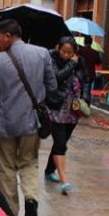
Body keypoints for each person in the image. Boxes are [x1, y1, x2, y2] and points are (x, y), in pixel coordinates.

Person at [0, 19, 57, 216]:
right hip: (31, 122)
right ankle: (31, 198)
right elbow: (52, 87)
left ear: (8, 35)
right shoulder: (42, 54)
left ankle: (9, 214)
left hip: (4, 123)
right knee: (29, 162)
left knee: (6, 167)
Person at [44, 37, 86, 195]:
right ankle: (64, 180)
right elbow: (56, 77)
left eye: (71, 52)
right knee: (61, 143)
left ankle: (49, 171)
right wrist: (71, 64)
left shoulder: (79, 61)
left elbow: (86, 80)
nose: (67, 55)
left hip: (73, 110)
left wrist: (86, 99)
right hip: (56, 108)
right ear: (58, 48)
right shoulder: (51, 59)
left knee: (61, 143)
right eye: (64, 51)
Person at [78, 35, 102, 102]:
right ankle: (87, 105)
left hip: (81, 73)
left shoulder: (80, 51)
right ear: (91, 43)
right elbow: (99, 62)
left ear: (84, 42)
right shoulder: (95, 52)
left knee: (80, 90)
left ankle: (80, 105)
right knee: (88, 91)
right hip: (91, 74)